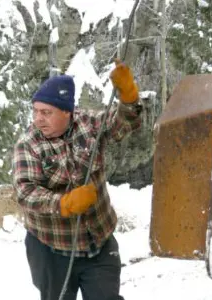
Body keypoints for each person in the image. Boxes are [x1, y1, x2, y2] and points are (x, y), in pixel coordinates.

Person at [12, 59, 142, 300]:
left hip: (98, 243)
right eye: (36, 111)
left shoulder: (89, 124)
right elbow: (25, 192)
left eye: (46, 112)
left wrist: (129, 97)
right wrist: (64, 203)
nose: (38, 119)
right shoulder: (29, 144)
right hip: (51, 250)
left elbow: (127, 123)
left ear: (67, 112)